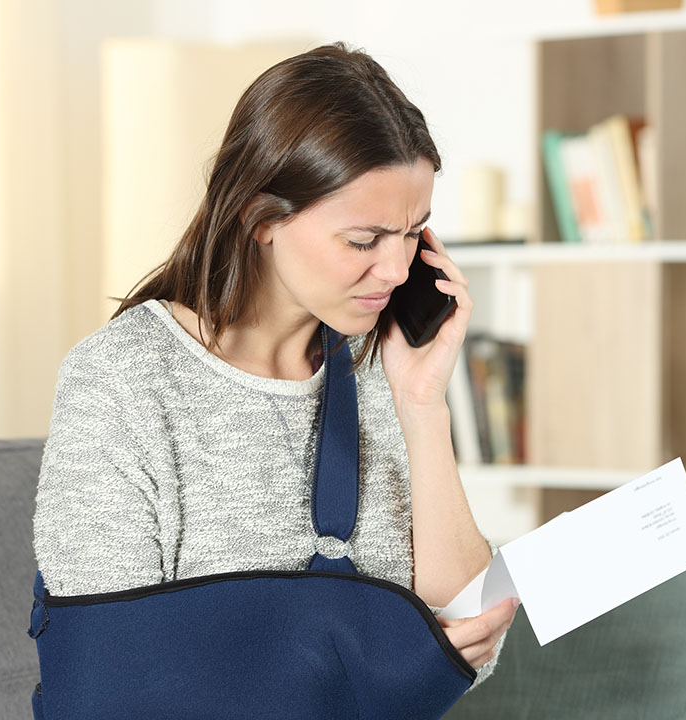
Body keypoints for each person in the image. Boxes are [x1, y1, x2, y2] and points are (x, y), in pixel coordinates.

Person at [31, 40, 516, 694]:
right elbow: (116, 676)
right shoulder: (122, 381)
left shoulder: (381, 369)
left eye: (414, 232)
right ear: (262, 219)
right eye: (364, 240)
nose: (398, 270)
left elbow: (469, 640)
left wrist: (424, 403)